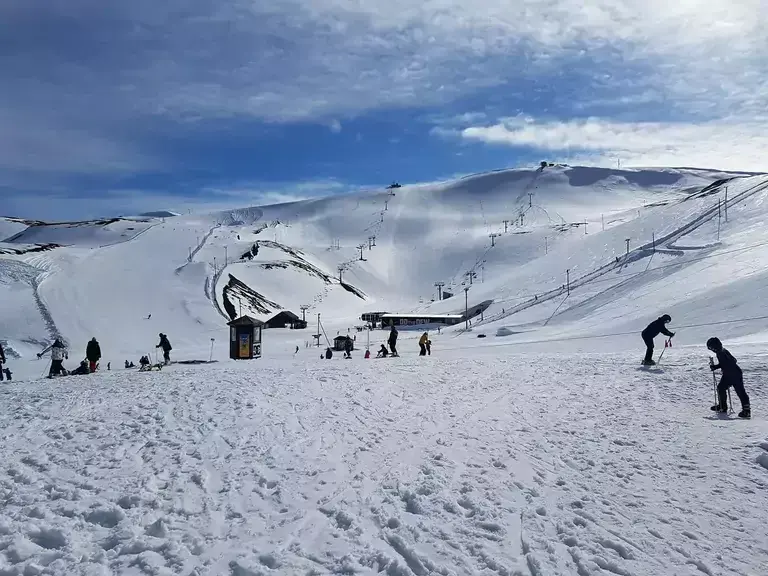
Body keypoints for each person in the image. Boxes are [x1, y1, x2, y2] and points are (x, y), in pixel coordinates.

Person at [707, 337, 750, 418]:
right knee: (720, 388)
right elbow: (727, 362)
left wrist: (722, 367)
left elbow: (733, 361)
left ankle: (746, 411)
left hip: (735, 374)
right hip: (728, 374)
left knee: (740, 391)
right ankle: (722, 407)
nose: (712, 350)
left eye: (711, 348)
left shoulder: (722, 352)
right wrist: (716, 366)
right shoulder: (720, 351)